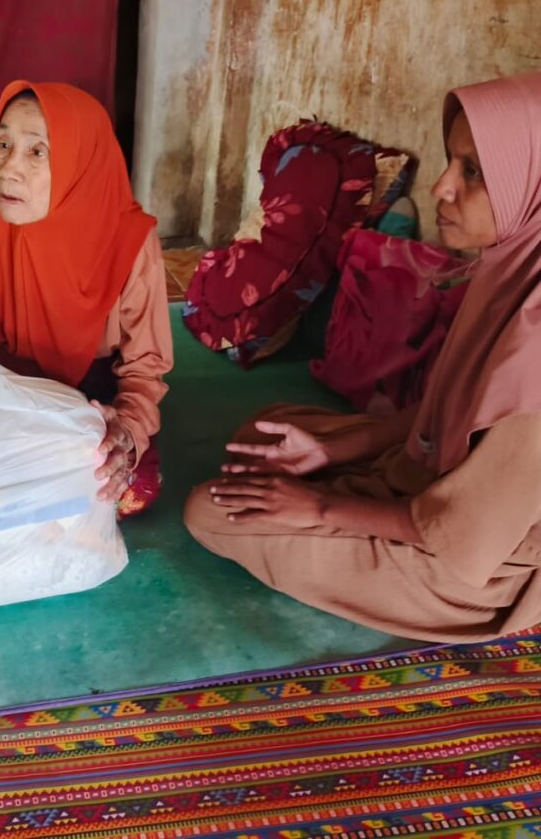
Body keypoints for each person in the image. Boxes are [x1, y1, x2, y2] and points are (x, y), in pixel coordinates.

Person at [184, 71, 541, 643]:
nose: (442, 187)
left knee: (209, 510)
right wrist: (332, 448)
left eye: (473, 172)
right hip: (432, 481)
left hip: (472, 567)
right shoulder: (513, 270)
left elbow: (461, 536)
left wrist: (318, 509)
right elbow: (445, 419)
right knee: (269, 433)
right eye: (452, 162)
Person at [0, 80, 173, 516]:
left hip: (93, 396)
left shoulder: (129, 241)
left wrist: (125, 428)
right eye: (3, 143)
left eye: (37, 151)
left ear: (81, 160)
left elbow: (145, 367)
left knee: (122, 490)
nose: (8, 168)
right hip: (9, 385)